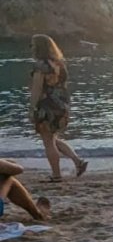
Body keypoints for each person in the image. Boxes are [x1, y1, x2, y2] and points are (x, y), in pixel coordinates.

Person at [28, 35, 87, 182]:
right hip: (61, 104)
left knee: (48, 142)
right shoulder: (59, 64)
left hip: (46, 106)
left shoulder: (41, 66)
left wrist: (32, 108)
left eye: (33, 45)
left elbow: (37, 88)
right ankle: (78, 161)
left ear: (39, 47)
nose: (31, 48)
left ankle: (56, 175)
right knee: (53, 138)